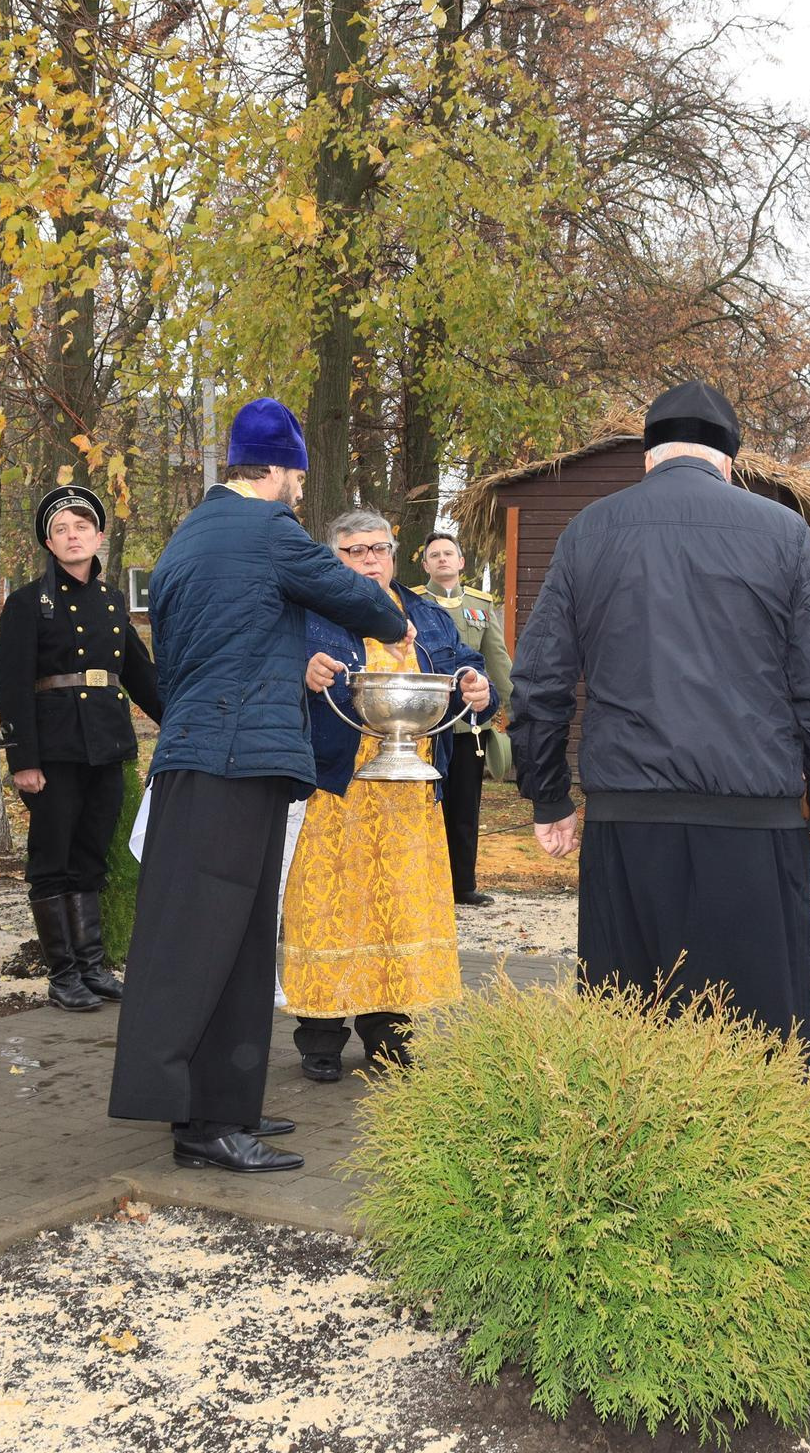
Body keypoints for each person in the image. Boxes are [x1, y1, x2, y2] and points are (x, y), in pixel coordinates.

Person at [107, 399, 408, 1174]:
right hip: (233, 759)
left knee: (237, 937)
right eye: (299, 482)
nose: (300, 497)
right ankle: (199, 1124)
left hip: (199, 751)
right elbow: (364, 602)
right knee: (207, 940)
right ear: (277, 470)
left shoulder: (185, 537)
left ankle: (227, 1103)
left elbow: (171, 658)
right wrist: (396, 621)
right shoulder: (269, 531)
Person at [511, 381, 810, 1046]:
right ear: (728, 462)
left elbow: (539, 680)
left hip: (629, 827)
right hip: (754, 831)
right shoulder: (783, 533)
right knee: (758, 1038)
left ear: (649, 457)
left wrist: (548, 796)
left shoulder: (590, 531)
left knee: (628, 1037)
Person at [284, 511, 492, 1079]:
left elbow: (465, 669)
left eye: (378, 548)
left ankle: (390, 1035)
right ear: (335, 558)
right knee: (329, 911)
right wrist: (302, 674)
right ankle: (321, 1039)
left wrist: (479, 688)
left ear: (395, 553)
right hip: (336, 790)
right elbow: (271, 675)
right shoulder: (310, 613)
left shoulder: (426, 613)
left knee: (397, 912)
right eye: (353, 551)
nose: (369, 559)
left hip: (411, 792)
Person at [0, 483, 162, 1014]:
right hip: (55, 749)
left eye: (81, 527)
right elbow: (11, 684)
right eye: (61, 529)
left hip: (107, 745)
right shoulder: (27, 604)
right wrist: (23, 760)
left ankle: (92, 967)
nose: (72, 536)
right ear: (49, 541)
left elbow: (140, 676)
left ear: (99, 537)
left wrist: (182, 724)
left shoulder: (112, 602)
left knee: (89, 857)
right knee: (52, 860)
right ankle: (62, 973)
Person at [412, 529, 510, 908]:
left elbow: (497, 662)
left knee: (465, 808)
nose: (442, 559)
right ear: (424, 565)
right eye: (434, 555)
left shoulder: (481, 607)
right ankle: (424, 882)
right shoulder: (413, 604)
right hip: (427, 725)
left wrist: (514, 712)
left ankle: (462, 885)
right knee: (426, 806)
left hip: (469, 725)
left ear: (461, 562)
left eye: (448, 553)